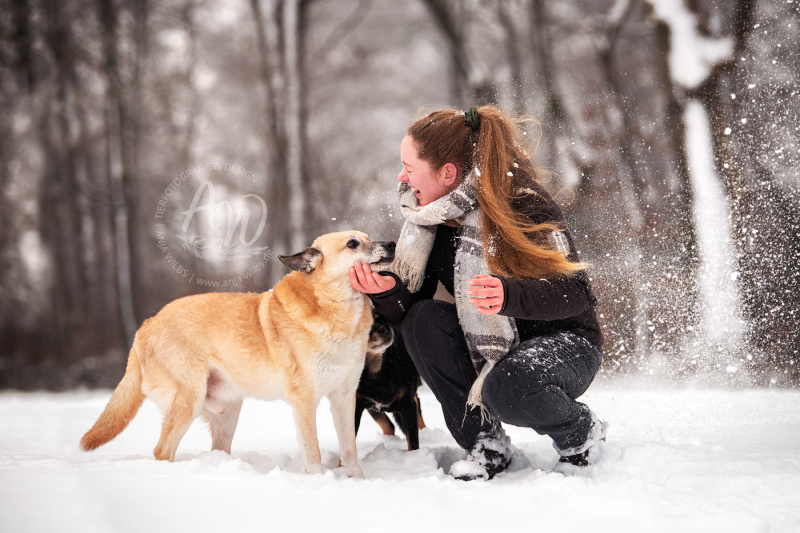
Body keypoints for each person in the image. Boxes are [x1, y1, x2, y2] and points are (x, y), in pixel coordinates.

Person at [349, 105, 605, 481]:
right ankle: (485, 443)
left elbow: (576, 294)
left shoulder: (524, 204)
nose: (401, 176)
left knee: (509, 385)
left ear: (447, 173)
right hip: (494, 347)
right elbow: (416, 316)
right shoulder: (431, 222)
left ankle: (580, 432)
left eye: (409, 166)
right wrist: (388, 293)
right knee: (422, 321)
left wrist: (509, 295)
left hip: (566, 343)